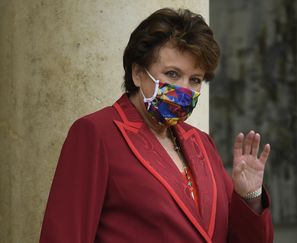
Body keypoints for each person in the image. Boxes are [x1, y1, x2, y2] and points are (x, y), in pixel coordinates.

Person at [39, 8, 273, 243]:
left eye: (195, 79)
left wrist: (249, 197)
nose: (184, 89)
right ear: (138, 73)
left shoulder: (201, 142)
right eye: (172, 74)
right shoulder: (96, 133)